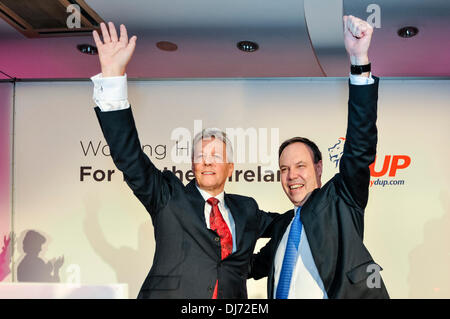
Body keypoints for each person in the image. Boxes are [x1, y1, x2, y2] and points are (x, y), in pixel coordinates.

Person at [90, 22, 278, 299]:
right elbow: (128, 157)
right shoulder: (168, 196)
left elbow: (291, 224)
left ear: (230, 167)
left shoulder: (247, 209)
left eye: (216, 156)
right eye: (201, 156)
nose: (207, 161)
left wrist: (322, 205)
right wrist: (113, 77)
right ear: (192, 164)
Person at [248, 15, 389, 299]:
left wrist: (359, 60)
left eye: (300, 165)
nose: (291, 176)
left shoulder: (342, 200)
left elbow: (360, 146)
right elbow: (244, 267)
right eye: (284, 169)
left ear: (318, 167)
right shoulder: (282, 227)